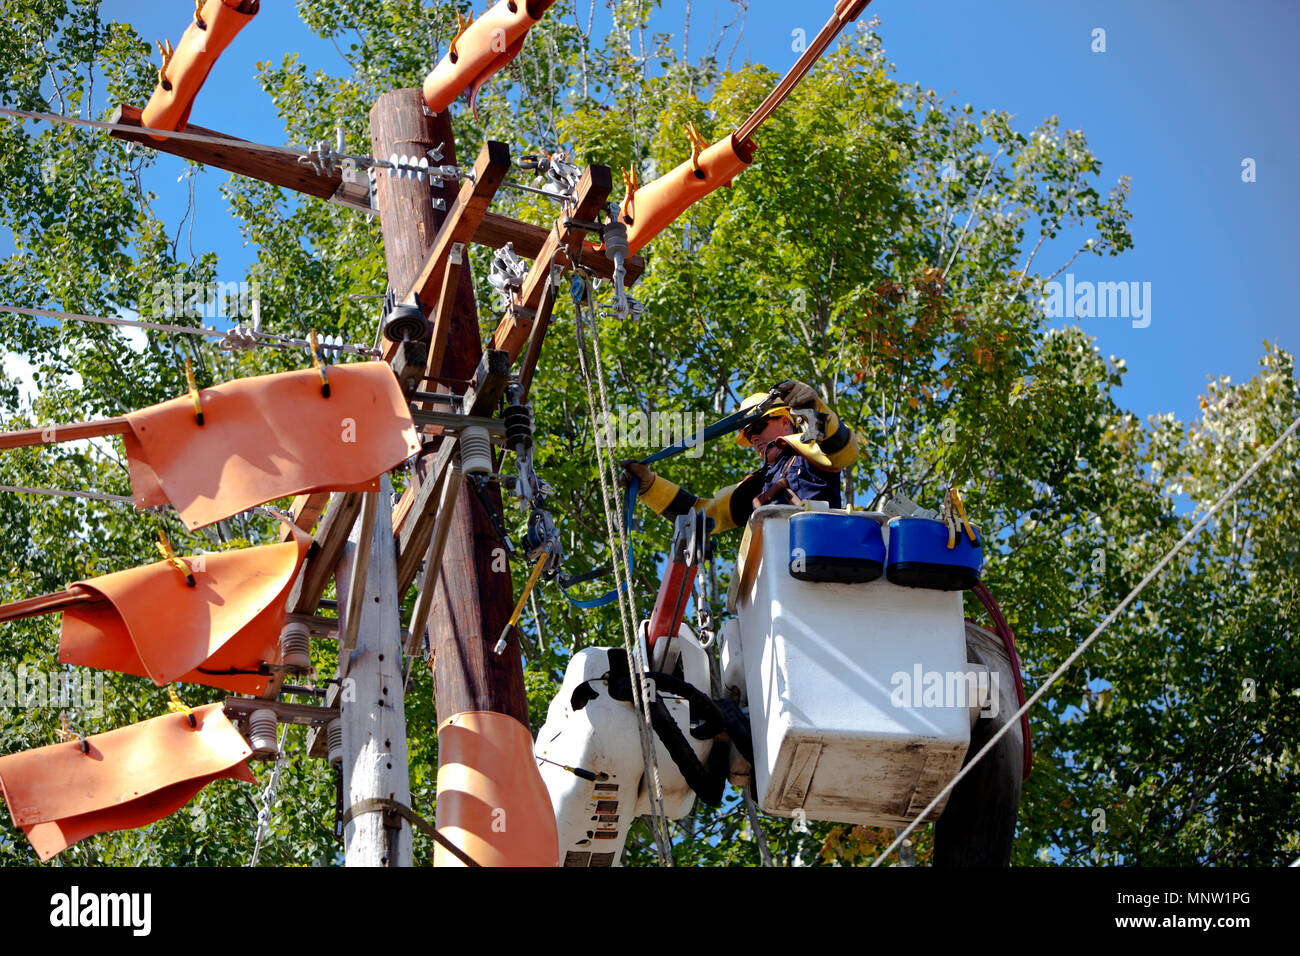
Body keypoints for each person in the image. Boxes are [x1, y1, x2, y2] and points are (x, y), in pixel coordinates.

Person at [621, 380, 858, 534]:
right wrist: (649, 487)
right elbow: (704, 515)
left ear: (785, 420)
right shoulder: (757, 486)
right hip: (777, 577)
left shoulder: (812, 454)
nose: (753, 438)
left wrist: (814, 409)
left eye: (757, 428)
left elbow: (844, 450)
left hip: (821, 553)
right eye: (747, 434)